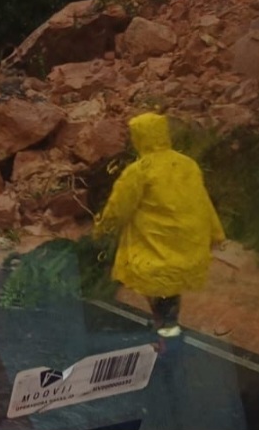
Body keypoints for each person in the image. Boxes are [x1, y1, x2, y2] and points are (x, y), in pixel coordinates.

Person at [93, 113, 226, 346]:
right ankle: (167, 329)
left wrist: (102, 229)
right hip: (187, 240)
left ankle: (164, 337)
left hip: (155, 243)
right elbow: (202, 201)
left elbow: (118, 208)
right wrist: (216, 232)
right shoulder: (188, 165)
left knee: (155, 285)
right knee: (170, 289)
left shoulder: (139, 171)